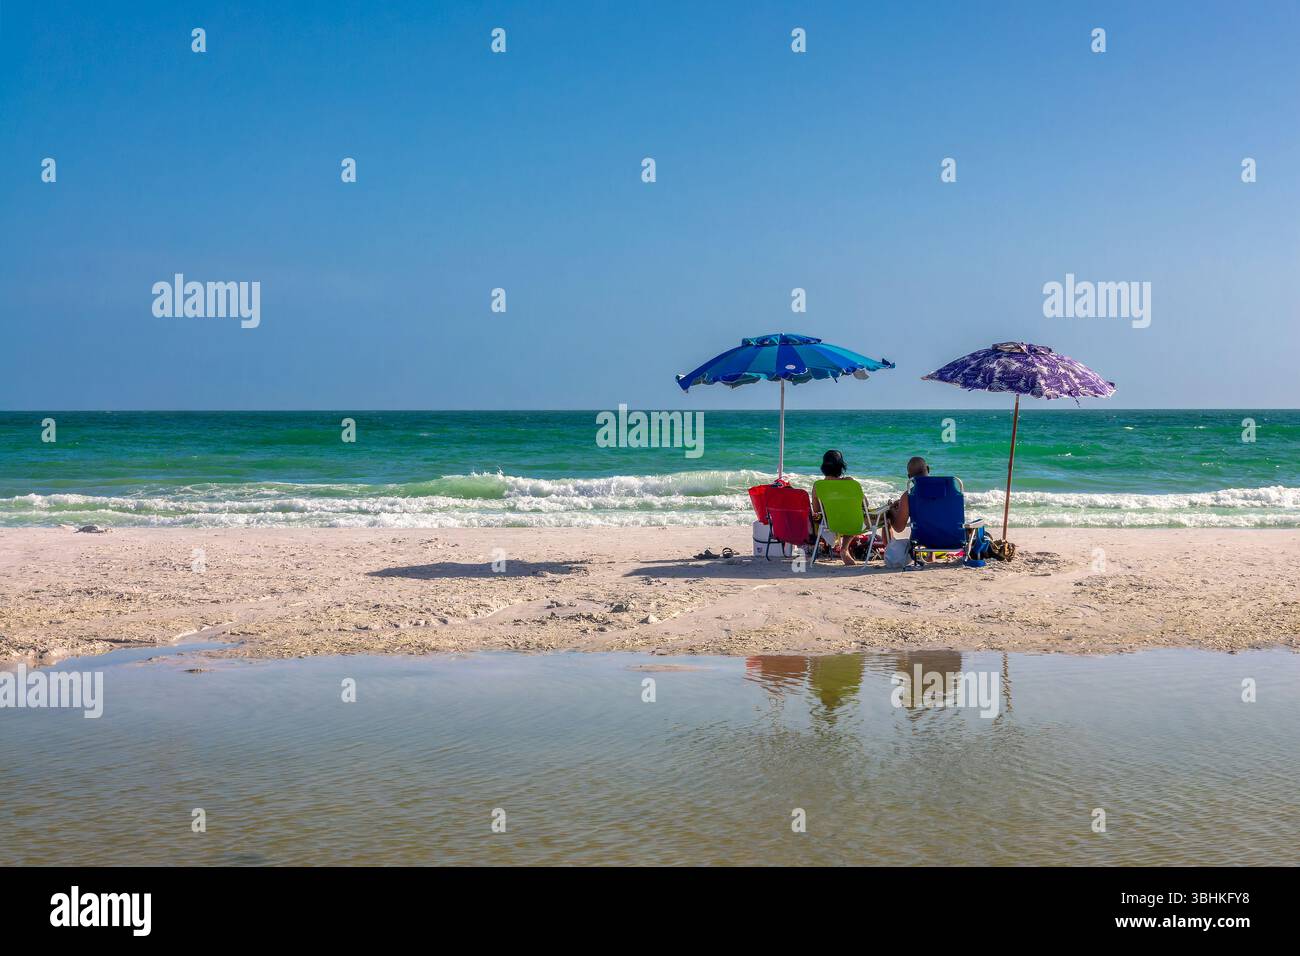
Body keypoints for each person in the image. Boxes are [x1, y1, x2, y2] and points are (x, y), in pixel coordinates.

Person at [810, 449, 864, 566]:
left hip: (831, 523)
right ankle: (844, 548)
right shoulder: (851, 483)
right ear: (841, 467)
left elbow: (816, 510)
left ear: (823, 467)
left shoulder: (818, 486)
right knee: (856, 516)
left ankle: (836, 548)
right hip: (853, 523)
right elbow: (865, 504)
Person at [886, 456, 930, 534]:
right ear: (928, 469)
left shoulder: (908, 496)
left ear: (909, 477)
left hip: (923, 541)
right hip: (952, 542)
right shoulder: (949, 489)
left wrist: (891, 510)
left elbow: (899, 528)